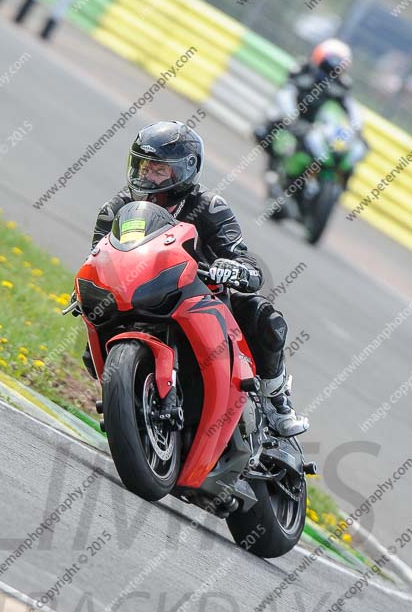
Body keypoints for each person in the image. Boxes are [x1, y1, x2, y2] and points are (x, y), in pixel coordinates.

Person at [79, 121, 309, 437]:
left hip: (201, 295)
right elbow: (99, 256)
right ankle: (130, 401)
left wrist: (235, 269)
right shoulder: (116, 210)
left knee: (262, 316)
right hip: (142, 294)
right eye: (144, 166)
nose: (148, 176)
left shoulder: (209, 207)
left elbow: (242, 257)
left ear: (184, 171)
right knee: (91, 346)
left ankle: (276, 401)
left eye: (158, 170)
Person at [255, 38, 365, 187]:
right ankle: (273, 169)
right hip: (296, 117)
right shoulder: (302, 69)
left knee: (357, 147)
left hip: (320, 126)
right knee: (264, 130)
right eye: (327, 65)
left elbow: (351, 107)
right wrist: (291, 116)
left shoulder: (343, 84)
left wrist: (357, 128)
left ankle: (340, 183)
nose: (330, 71)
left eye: (336, 67)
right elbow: (286, 93)